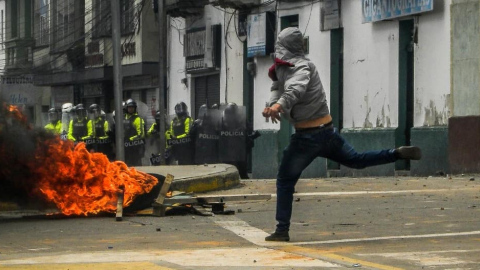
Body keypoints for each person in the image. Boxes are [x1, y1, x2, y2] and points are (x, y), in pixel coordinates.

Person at [262, 27, 422, 242]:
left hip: (307, 138)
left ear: (284, 47)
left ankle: (282, 230)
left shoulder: (301, 67)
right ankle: (396, 154)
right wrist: (273, 104)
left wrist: (279, 105)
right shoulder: (283, 68)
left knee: (284, 180)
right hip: (327, 132)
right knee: (356, 160)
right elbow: (277, 86)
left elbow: (294, 90)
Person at [123, 98, 145, 166]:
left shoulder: (137, 119)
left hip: (135, 148)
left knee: (136, 167)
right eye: (129, 107)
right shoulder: (122, 118)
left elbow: (141, 134)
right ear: (126, 108)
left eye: (132, 107)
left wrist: (131, 139)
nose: (131, 109)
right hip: (124, 148)